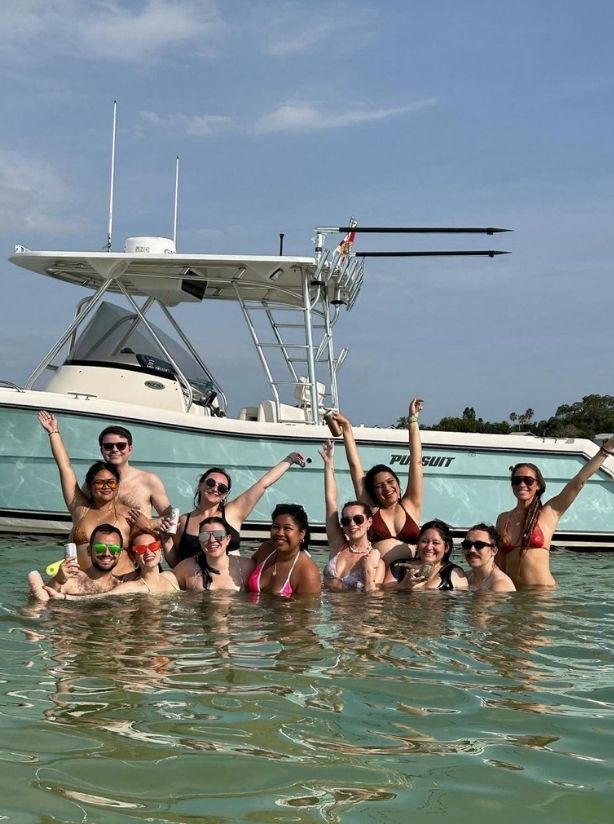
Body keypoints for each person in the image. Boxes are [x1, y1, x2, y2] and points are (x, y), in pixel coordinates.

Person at [495, 437, 614, 588]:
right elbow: (497, 563)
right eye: (516, 480)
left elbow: (578, 482)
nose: (522, 484)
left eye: (528, 480)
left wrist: (606, 448)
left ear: (538, 485)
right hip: (513, 594)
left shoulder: (549, 512)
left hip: (543, 594)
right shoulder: (503, 519)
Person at [163, 452, 308, 567]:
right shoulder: (184, 521)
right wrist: (165, 540)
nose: (215, 489)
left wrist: (290, 459)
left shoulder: (232, 512)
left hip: (232, 586)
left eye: (222, 488)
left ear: (225, 494)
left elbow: (263, 484)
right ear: (200, 485)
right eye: (210, 483)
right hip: (196, 586)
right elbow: (177, 563)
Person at [330, 398, 424, 565]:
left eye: (390, 481)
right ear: (373, 492)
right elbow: (355, 467)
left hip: (410, 577)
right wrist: (347, 430)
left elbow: (416, 462)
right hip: (379, 577)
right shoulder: (371, 509)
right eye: (379, 486)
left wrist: (412, 420)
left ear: (398, 483)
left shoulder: (411, 504)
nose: (387, 488)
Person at [38, 411, 135, 572]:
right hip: (82, 582)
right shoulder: (79, 508)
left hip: (120, 583)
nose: (106, 486)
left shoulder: (129, 515)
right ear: (90, 486)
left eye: (111, 482)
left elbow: (148, 540)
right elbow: (65, 468)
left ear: (117, 486)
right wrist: (53, 432)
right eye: (99, 483)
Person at [319, 440, 384, 591]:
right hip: (326, 606)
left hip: (355, 607)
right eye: (346, 520)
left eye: (358, 519)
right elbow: (330, 500)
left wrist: (368, 570)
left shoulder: (377, 562)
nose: (352, 524)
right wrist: (328, 464)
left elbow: (373, 600)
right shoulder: (338, 546)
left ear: (369, 522)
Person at [43, 529, 180, 600]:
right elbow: (99, 597)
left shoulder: (171, 577)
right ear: (134, 557)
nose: (107, 553)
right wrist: (58, 582)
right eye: (141, 549)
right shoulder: (131, 586)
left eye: (153, 546)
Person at [27, 524, 130, 601]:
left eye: (114, 549)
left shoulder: (122, 586)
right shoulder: (72, 580)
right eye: (100, 548)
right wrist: (57, 580)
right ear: (89, 551)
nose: (107, 553)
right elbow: (44, 601)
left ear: (120, 553)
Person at [97, 424, 172, 527]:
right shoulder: (94, 482)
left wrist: (149, 524)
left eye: (121, 446)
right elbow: (81, 512)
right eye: (108, 446)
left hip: (140, 537)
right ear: (102, 450)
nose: (115, 450)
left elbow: (170, 516)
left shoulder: (149, 480)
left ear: (130, 449)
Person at [247, 504, 321, 596]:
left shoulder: (307, 572)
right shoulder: (266, 549)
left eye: (287, 528)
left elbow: (306, 605)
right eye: (275, 527)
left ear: (301, 534)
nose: (280, 533)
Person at [173, 517, 254, 592]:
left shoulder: (246, 566)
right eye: (205, 536)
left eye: (219, 535)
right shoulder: (188, 567)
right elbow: (169, 580)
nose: (212, 540)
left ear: (228, 539)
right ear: (200, 541)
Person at [384, 519, 468, 591]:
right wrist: (404, 585)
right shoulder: (398, 567)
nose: (429, 547)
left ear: (446, 547)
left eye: (435, 543)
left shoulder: (455, 573)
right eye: (424, 541)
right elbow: (385, 595)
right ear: (418, 544)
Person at [461, 524, 516, 592]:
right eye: (467, 545)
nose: (472, 550)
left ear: (494, 551)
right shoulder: (465, 577)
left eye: (479, 545)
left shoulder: (500, 585)